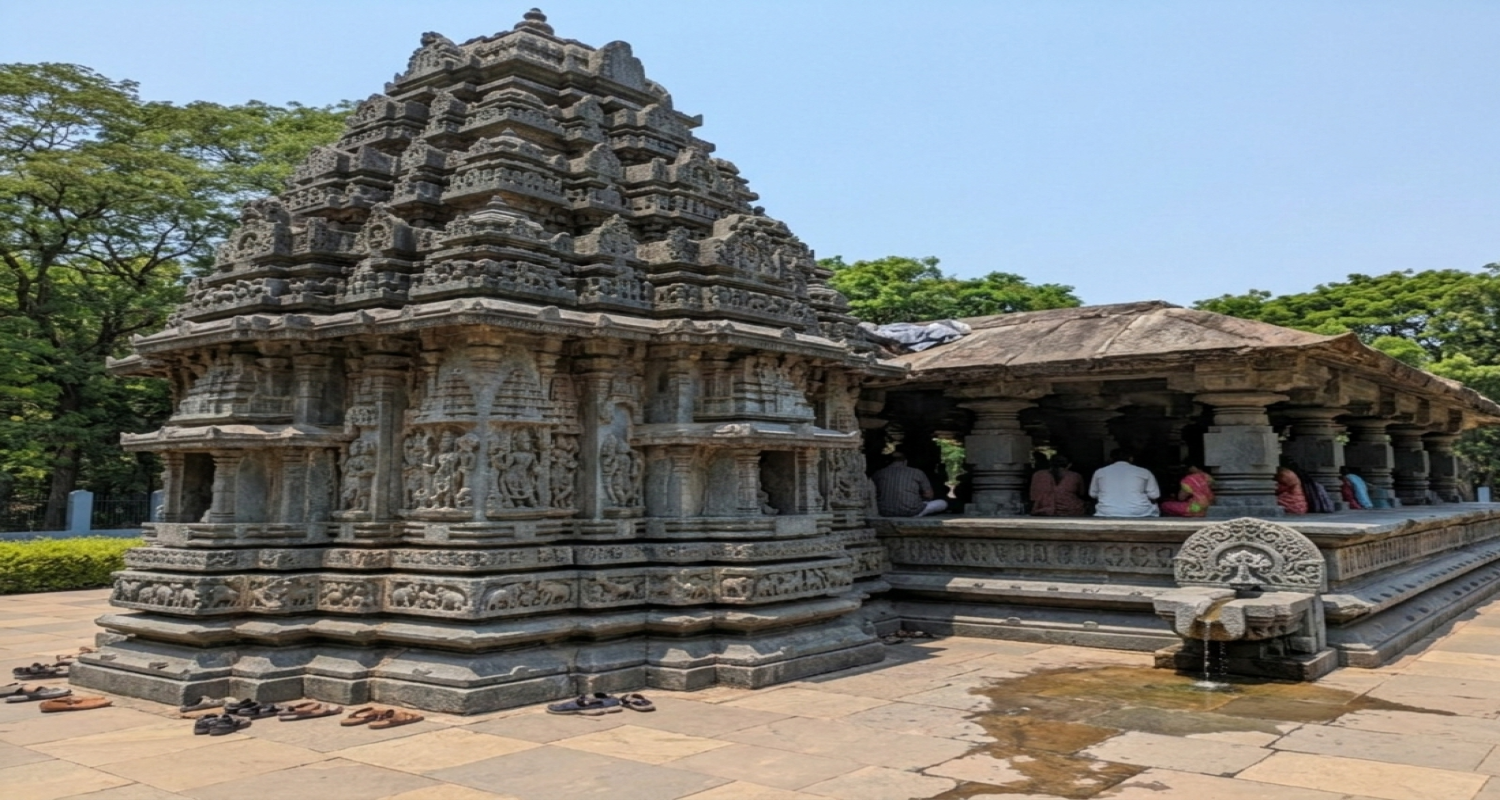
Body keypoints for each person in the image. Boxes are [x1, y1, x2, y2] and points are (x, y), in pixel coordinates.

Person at [872, 452, 948, 517]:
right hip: (911, 512)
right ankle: (917, 515)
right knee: (942, 503)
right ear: (905, 461)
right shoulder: (917, 472)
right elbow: (928, 495)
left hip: (885, 512)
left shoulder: (879, 473)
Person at [1089, 448, 1161, 517]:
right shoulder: (1144, 472)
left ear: (1110, 459)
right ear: (1131, 458)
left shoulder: (1100, 472)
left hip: (1106, 511)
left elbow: (1093, 494)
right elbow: (1154, 495)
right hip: (1139, 512)